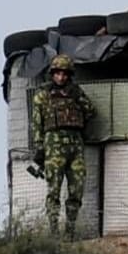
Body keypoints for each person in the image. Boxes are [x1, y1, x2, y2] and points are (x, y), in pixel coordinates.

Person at [30, 54, 96, 238]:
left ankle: (70, 232)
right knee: (54, 191)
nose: (61, 77)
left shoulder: (75, 93)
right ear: (52, 74)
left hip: (75, 145)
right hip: (54, 146)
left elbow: (91, 111)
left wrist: (77, 99)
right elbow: (36, 123)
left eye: (65, 74)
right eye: (58, 73)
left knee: (76, 191)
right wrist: (39, 147)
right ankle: (53, 232)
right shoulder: (43, 95)